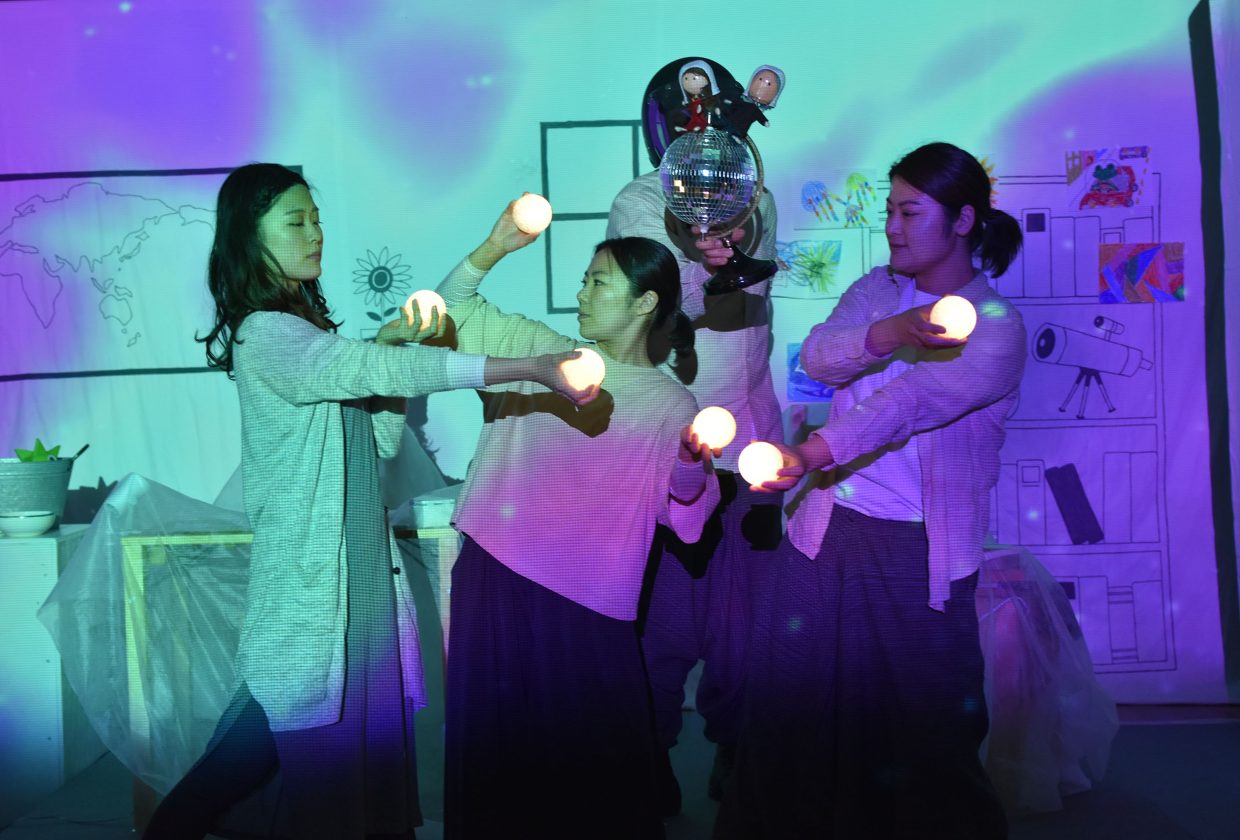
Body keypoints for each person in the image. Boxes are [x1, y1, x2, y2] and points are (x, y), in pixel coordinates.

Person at [143, 163, 592, 840]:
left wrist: (391, 350)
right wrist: (526, 368)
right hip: (309, 599)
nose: (314, 233)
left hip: (361, 590)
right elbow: (369, 367)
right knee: (257, 771)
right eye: (295, 221)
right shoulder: (265, 334)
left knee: (341, 778)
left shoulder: (314, 337)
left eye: (316, 218)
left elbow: (378, 440)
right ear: (248, 237)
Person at [716, 142, 1023, 839]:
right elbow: (821, 357)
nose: (892, 227)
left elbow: (910, 403)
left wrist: (809, 453)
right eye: (890, 210)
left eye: (911, 212)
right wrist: (891, 330)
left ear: (963, 220)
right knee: (787, 707)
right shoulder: (876, 290)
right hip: (824, 529)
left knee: (928, 725)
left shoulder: (997, 324)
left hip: (918, 548)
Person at [438, 201, 721, 839]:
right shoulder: (540, 351)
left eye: (598, 282)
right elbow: (451, 310)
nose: (582, 293)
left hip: (591, 603)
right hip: (498, 581)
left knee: (595, 770)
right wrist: (493, 246)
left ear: (645, 303)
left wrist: (688, 459)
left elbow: (686, 517)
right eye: (584, 280)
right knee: (498, 757)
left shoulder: (673, 403)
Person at [608, 55, 785, 811]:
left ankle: (739, 759)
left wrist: (727, 248)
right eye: (687, 110)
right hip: (670, 450)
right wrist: (702, 260)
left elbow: (750, 273)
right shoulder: (639, 203)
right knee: (662, 630)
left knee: (748, 632)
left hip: (753, 451)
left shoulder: (757, 195)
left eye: (711, 107)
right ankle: (648, 767)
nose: (701, 119)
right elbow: (660, 301)